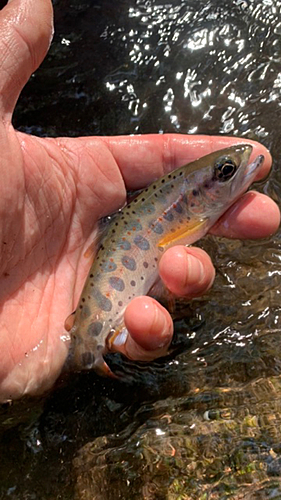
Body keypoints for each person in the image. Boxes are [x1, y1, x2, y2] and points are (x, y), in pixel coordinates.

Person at [0, 0, 279, 403]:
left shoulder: (195, 206)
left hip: (59, 344)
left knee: (170, 295)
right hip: (79, 338)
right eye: (225, 173)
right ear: (195, 196)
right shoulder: (190, 214)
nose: (238, 169)